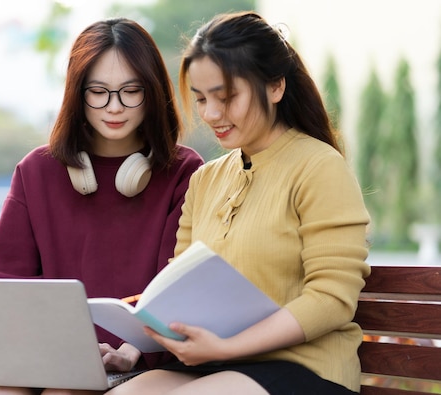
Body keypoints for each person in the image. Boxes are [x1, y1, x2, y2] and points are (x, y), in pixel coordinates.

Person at [107, 11, 370, 395]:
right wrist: (133, 347)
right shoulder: (205, 180)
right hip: (219, 367)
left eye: (227, 97)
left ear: (276, 86)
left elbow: (331, 299)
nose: (212, 114)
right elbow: (181, 292)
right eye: (200, 99)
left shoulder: (319, 167)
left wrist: (229, 347)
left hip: (306, 371)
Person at [0, 17, 204, 395]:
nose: (114, 107)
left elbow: (179, 290)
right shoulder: (36, 171)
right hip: (53, 355)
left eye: (130, 91)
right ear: (77, 93)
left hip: (145, 361)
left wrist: (132, 349)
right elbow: (9, 284)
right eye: (98, 91)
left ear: (152, 92)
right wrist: (63, 349)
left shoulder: (184, 172)